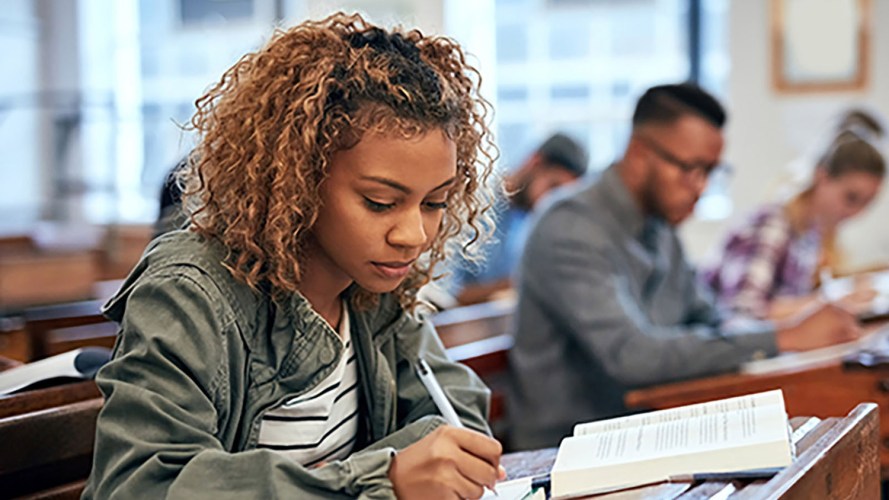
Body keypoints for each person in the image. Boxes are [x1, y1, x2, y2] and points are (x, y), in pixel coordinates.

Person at [84, 13, 506, 499]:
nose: (413, 235)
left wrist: (402, 468)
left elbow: (458, 416)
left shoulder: (374, 286)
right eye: (380, 202)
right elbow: (142, 486)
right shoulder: (190, 292)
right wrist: (379, 479)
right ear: (298, 179)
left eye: (434, 203)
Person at [507, 82, 861, 451]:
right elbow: (634, 357)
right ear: (639, 153)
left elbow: (708, 317)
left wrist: (780, 337)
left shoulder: (659, 226)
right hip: (566, 453)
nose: (700, 187)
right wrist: (785, 336)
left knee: (806, 443)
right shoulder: (568, 226)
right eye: (690, 169)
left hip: (649, 430)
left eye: (710, 172)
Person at [700, 125, 886, 321]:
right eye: (851, 198)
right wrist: (831, 302)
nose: (857, 212)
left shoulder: (811, 232)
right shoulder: (772, 225)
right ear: (822, 177)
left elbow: (792, 300)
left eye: (867, 203)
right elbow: (742, 312)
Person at [447, 132, 588, 305]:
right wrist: (518, 284)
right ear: (535, 162)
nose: (550, 201)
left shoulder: (531, 220)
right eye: (553, 187)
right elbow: (445, 295)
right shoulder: (470, 205)